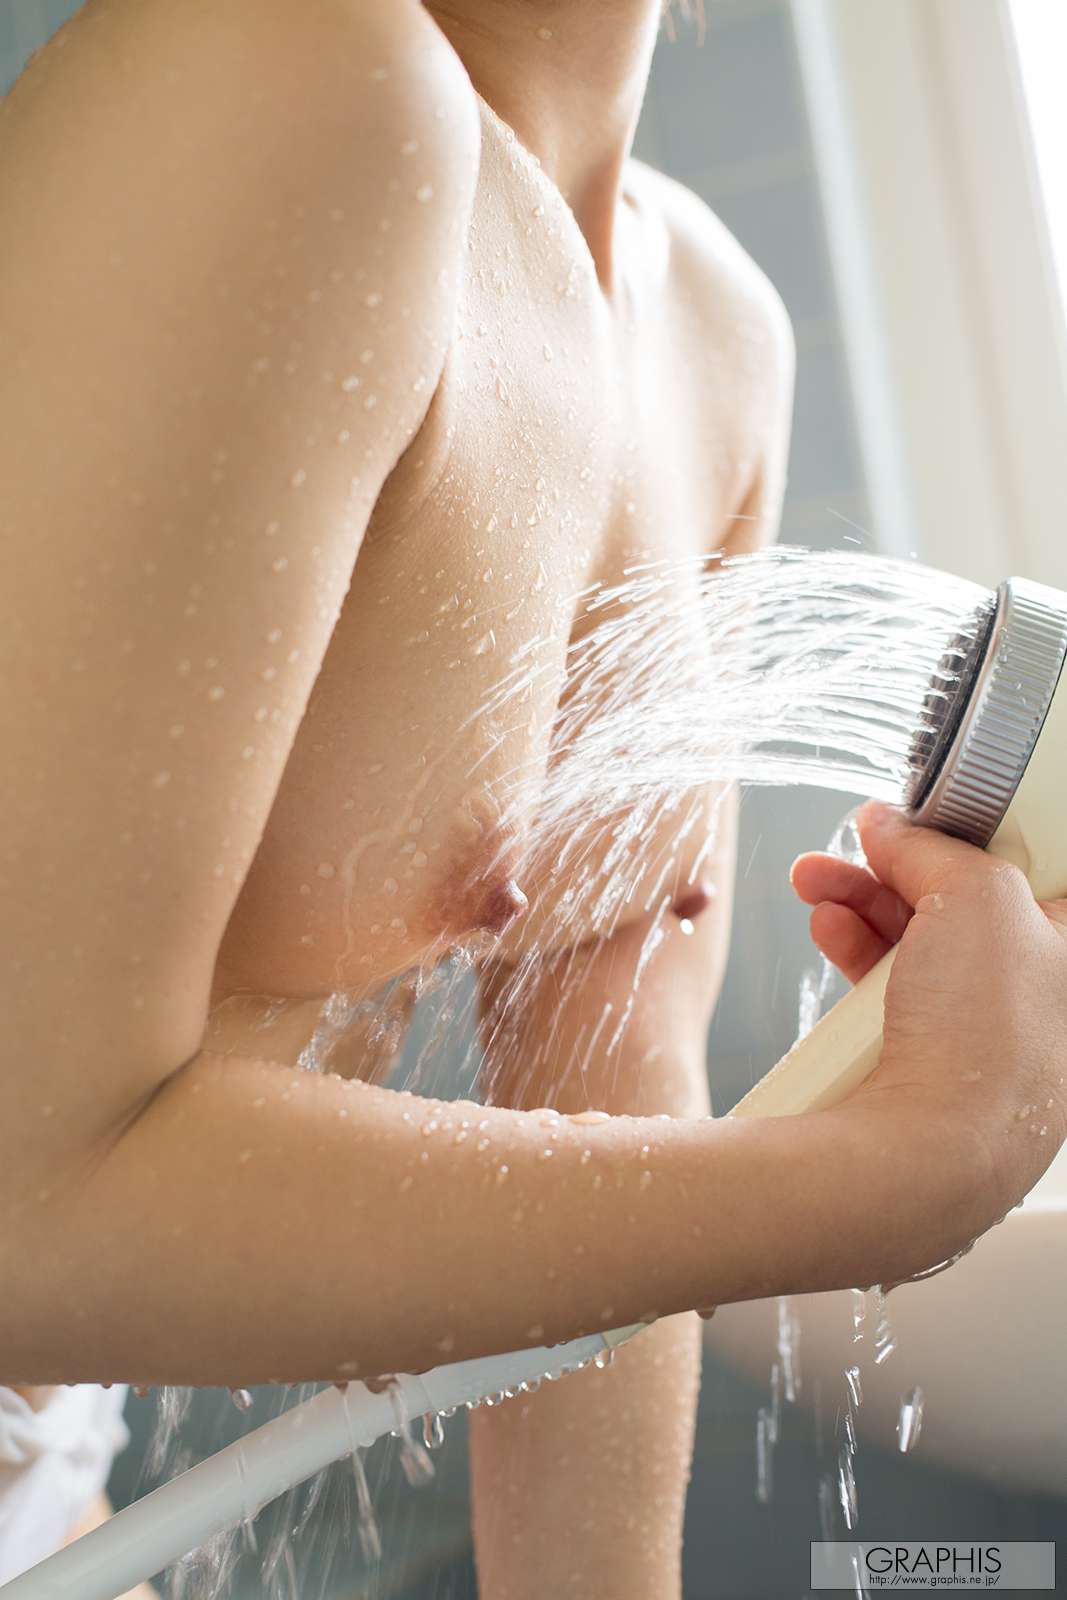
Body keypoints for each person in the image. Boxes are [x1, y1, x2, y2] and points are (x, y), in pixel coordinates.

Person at [1, 0, 1064, 1592]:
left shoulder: (713, 334)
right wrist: (896, 1174)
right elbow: (21, 1209)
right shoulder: (288, 76)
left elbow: (608, 1122)